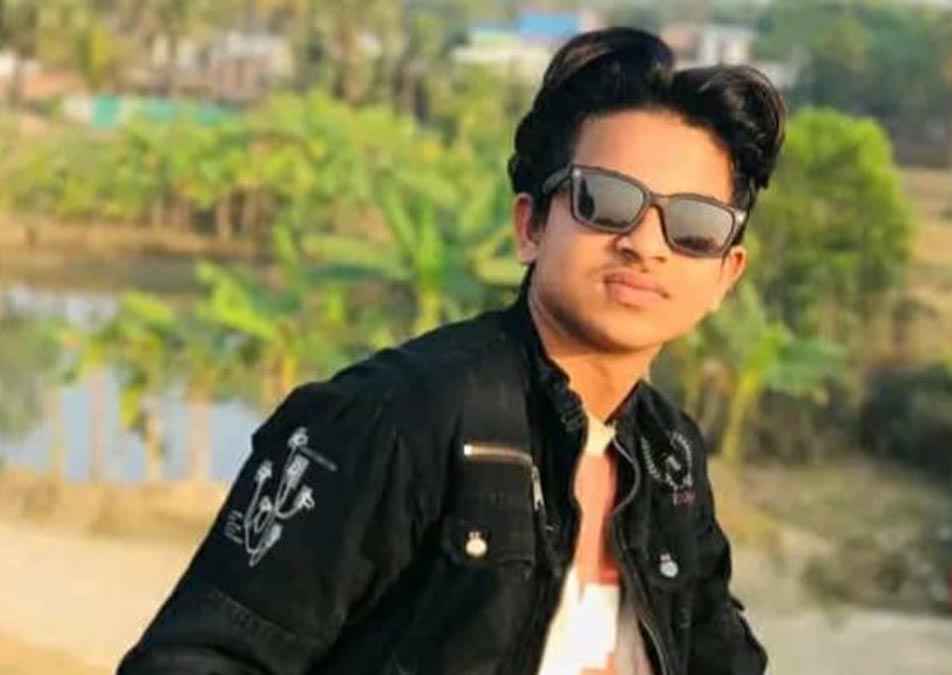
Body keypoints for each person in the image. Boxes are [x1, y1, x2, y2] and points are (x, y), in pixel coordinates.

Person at [118, 26, 785, 675]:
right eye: (605, 201)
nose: (645, 244)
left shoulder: (669, 458)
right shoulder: (397, 416)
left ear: (726, 275)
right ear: (530, 226)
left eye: (694, 226)